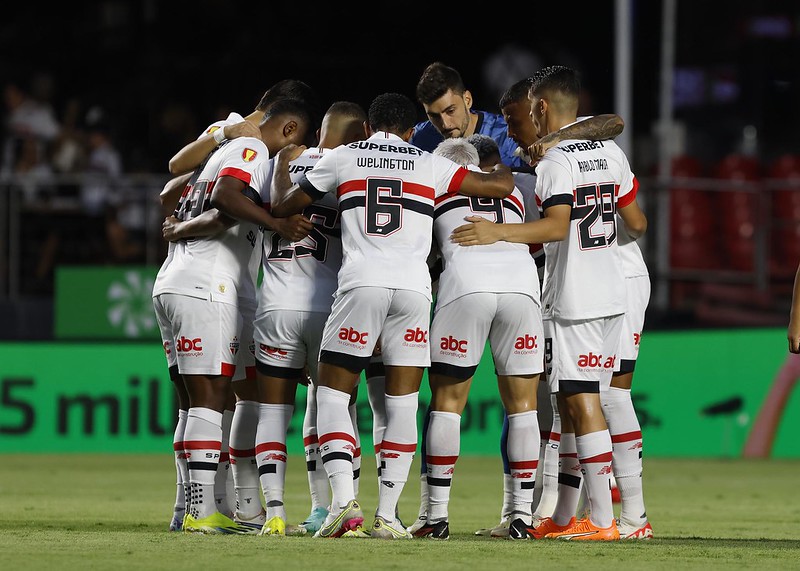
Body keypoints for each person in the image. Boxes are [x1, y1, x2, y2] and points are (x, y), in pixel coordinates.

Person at [264, 92, 516, 539]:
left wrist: (284, 165)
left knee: (332, 396)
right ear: (409, 130)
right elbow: (500, 188)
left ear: (367, 129)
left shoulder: (345, 156)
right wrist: (500, 162)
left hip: (361, 283)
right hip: (414, 291)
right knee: (399, 404)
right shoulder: (428, 163)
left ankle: (344, 503)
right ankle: (388, 515)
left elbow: (283, 205)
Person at [451, 65, 647, 541]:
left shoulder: (556, 163)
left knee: (583, 405)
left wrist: (497, 231)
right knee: (582, 404)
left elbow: (557, 226)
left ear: (540, 107)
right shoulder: (610, 152)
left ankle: (606, 521)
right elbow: (637, 223)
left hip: (575, 295)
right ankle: (578, 517)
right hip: (613, 289)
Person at [158, 80, 321, 532]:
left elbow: (170, 193)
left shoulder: (222, 152)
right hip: (208, 284)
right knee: (212, 396)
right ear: (288, 128)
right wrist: (276, 222)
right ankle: (202, 512)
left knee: (205, 400)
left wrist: (182, 223)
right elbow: (226, 200)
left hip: (185, 280)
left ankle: (200, 507)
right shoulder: (251, 150)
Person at [413, 137, 543, 541]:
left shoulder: (435, 193)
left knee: (448, 406)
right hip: (523, 289)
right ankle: (522, 516)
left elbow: (423, 255)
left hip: (466, 288)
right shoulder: (515, 195)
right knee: (523, 408)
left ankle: (435, 517)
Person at [248, 101, 369, 537]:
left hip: (276, 304)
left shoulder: (275, 165)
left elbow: (261, 207)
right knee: (336, 409)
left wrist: (281, 162)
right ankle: (337, 505)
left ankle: (276, 512)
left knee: (273, 412)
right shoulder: (352, 167)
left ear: (319, 129)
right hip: (332, 305)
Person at [411, 62, 524, 168]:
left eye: (450, 111)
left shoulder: (509, 136)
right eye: (434, 116)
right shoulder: (418, 138)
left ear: (467, 100)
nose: (445, 125)